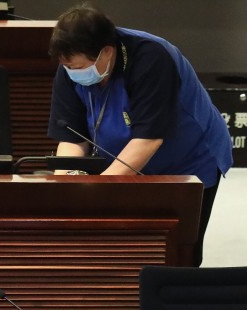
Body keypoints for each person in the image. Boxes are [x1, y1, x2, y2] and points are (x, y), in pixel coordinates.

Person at [47, 3, 233, 265]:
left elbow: (148, 140)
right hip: (121, 159)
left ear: (106, 52)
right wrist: (66, 188)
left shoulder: (151, 57)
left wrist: (99, 192)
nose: (74, 73)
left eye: (79, 67)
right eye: (68, 67)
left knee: (179, 253)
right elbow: (71, 137)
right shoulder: (71, 68)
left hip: (187, 159)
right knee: (126, 250)